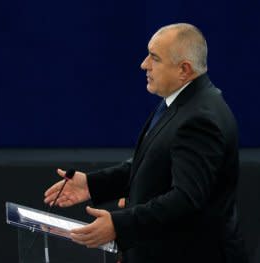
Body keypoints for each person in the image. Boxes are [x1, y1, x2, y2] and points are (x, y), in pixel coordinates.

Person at [44, 23, 247, 263]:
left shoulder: (200, 119)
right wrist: (92, 184)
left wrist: (119, 225)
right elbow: (152, 162)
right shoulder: (180, 102)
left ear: (184, 69)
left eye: (154, 58)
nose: (144, 65)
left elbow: (186, 200)